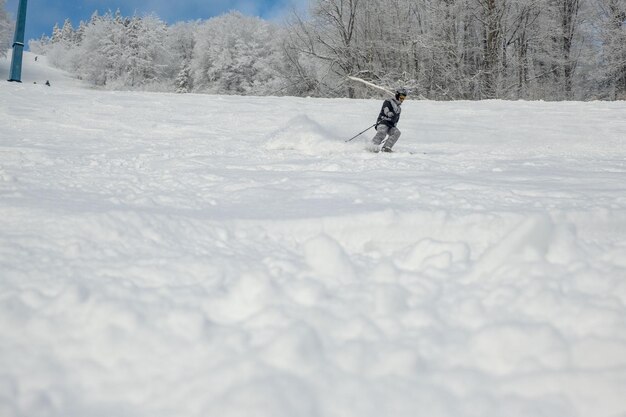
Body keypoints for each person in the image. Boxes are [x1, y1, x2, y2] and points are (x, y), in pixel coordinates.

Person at [371, 87, 407, 152]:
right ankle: (373, 146)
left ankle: (386, 147)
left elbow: (396, 119)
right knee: (382, 132)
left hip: (391, 125)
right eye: (401, 97)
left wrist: (395, 124)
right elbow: (386, 108)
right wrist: (388, 113)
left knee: (397, 132)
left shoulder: (399, 108)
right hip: (383, 122)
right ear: (397, 95)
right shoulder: (388, 101)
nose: (402, 99)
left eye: (404, 98)